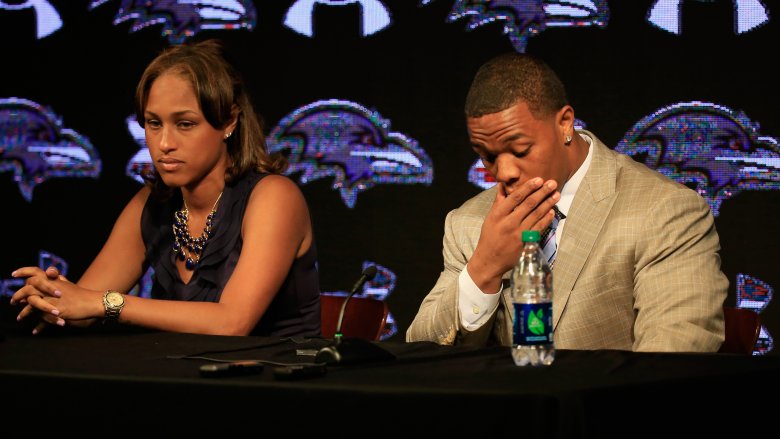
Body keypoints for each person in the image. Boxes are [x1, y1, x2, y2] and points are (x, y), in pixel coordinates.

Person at [406, 53, 728, 352]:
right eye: (487, 156)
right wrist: (485, 268)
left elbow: (671, 362)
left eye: (519, 150)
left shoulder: (665, 212)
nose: (503, 172)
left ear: (564, 124)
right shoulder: (468, 222)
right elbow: (419, 356)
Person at [10, 39, 321, 337]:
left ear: (229, 121)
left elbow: (232, 323)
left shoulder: (274, 197)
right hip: (186, 382)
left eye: (185, 124)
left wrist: (107, 303)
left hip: (277, 385)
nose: (164, 144)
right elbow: (84, 308)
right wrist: (51, 298)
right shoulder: (152, 203)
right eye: (153, 123)